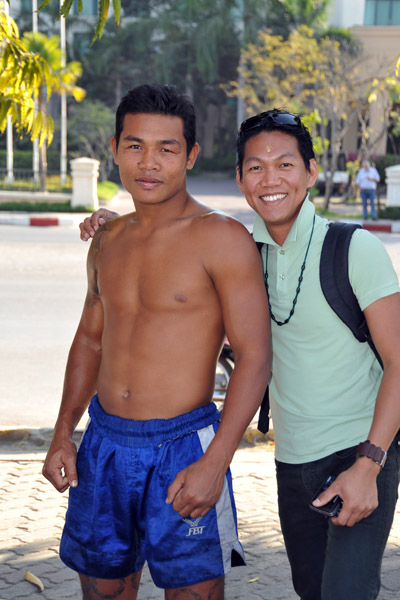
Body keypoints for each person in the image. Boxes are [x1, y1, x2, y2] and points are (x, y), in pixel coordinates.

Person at [84, 108, 400, 600]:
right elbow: (175, 242)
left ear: (311, 172)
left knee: (346, 591)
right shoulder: (242, 248)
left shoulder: (353, 248)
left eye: (285, 165)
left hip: (359, 451)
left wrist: (370, 463)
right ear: (240, 178)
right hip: (293, 460)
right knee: (311, 589)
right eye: (255, 167)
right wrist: (117, 222)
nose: (270, 179)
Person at [43, 84, 271, 600]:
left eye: (167, 149)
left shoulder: (222, 238)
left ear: (190, 155)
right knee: (103, 589)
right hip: (102, 443)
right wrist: (63, 433)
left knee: (194, 594)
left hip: (184, 447)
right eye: (135, 146)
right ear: (115, 148)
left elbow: (255, 357)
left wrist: (216, 463)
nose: (149, 163)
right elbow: (89, 341)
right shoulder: (107, 239)